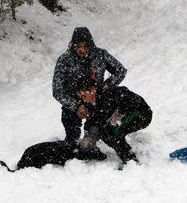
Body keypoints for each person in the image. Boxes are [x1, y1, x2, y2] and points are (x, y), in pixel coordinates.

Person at [53, 27, 140, 163]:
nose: (82, 49)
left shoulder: (100, 55)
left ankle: (90, 142)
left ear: (90, 44)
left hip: (96, 99)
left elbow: (120, 71)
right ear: (73, 45)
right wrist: (76, 106)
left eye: (85, 46)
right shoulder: (64, 60)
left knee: (92, 135)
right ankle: (72, 142)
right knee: (71, 140)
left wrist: (104, 88)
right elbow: (57, 90)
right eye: (78, 46)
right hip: (73, 100)